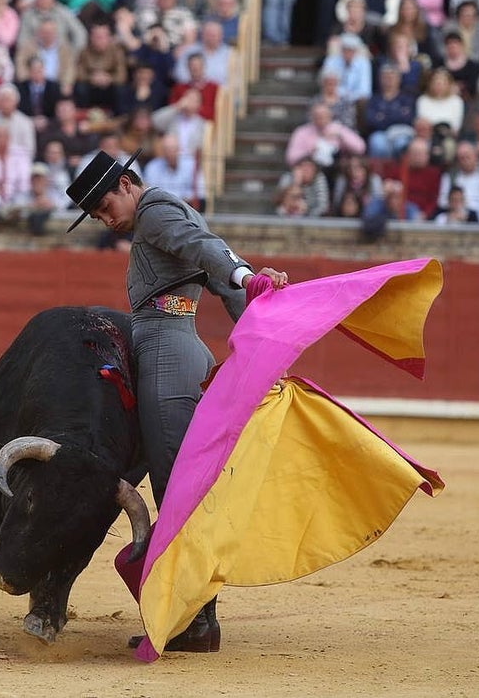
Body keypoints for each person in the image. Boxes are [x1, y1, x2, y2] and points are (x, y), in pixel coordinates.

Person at [64, 149, 289, 653]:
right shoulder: (164, 213)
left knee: (175, 485)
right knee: (178, 482)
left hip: (167, 349)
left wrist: (245, 279)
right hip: (174, 345)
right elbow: (213, 263)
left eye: (103, 207)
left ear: (126, 183)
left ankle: (195, 621)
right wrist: (253, 321)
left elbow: (207, 251)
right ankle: (196, 615)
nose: (105, 219)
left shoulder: (155, 211)